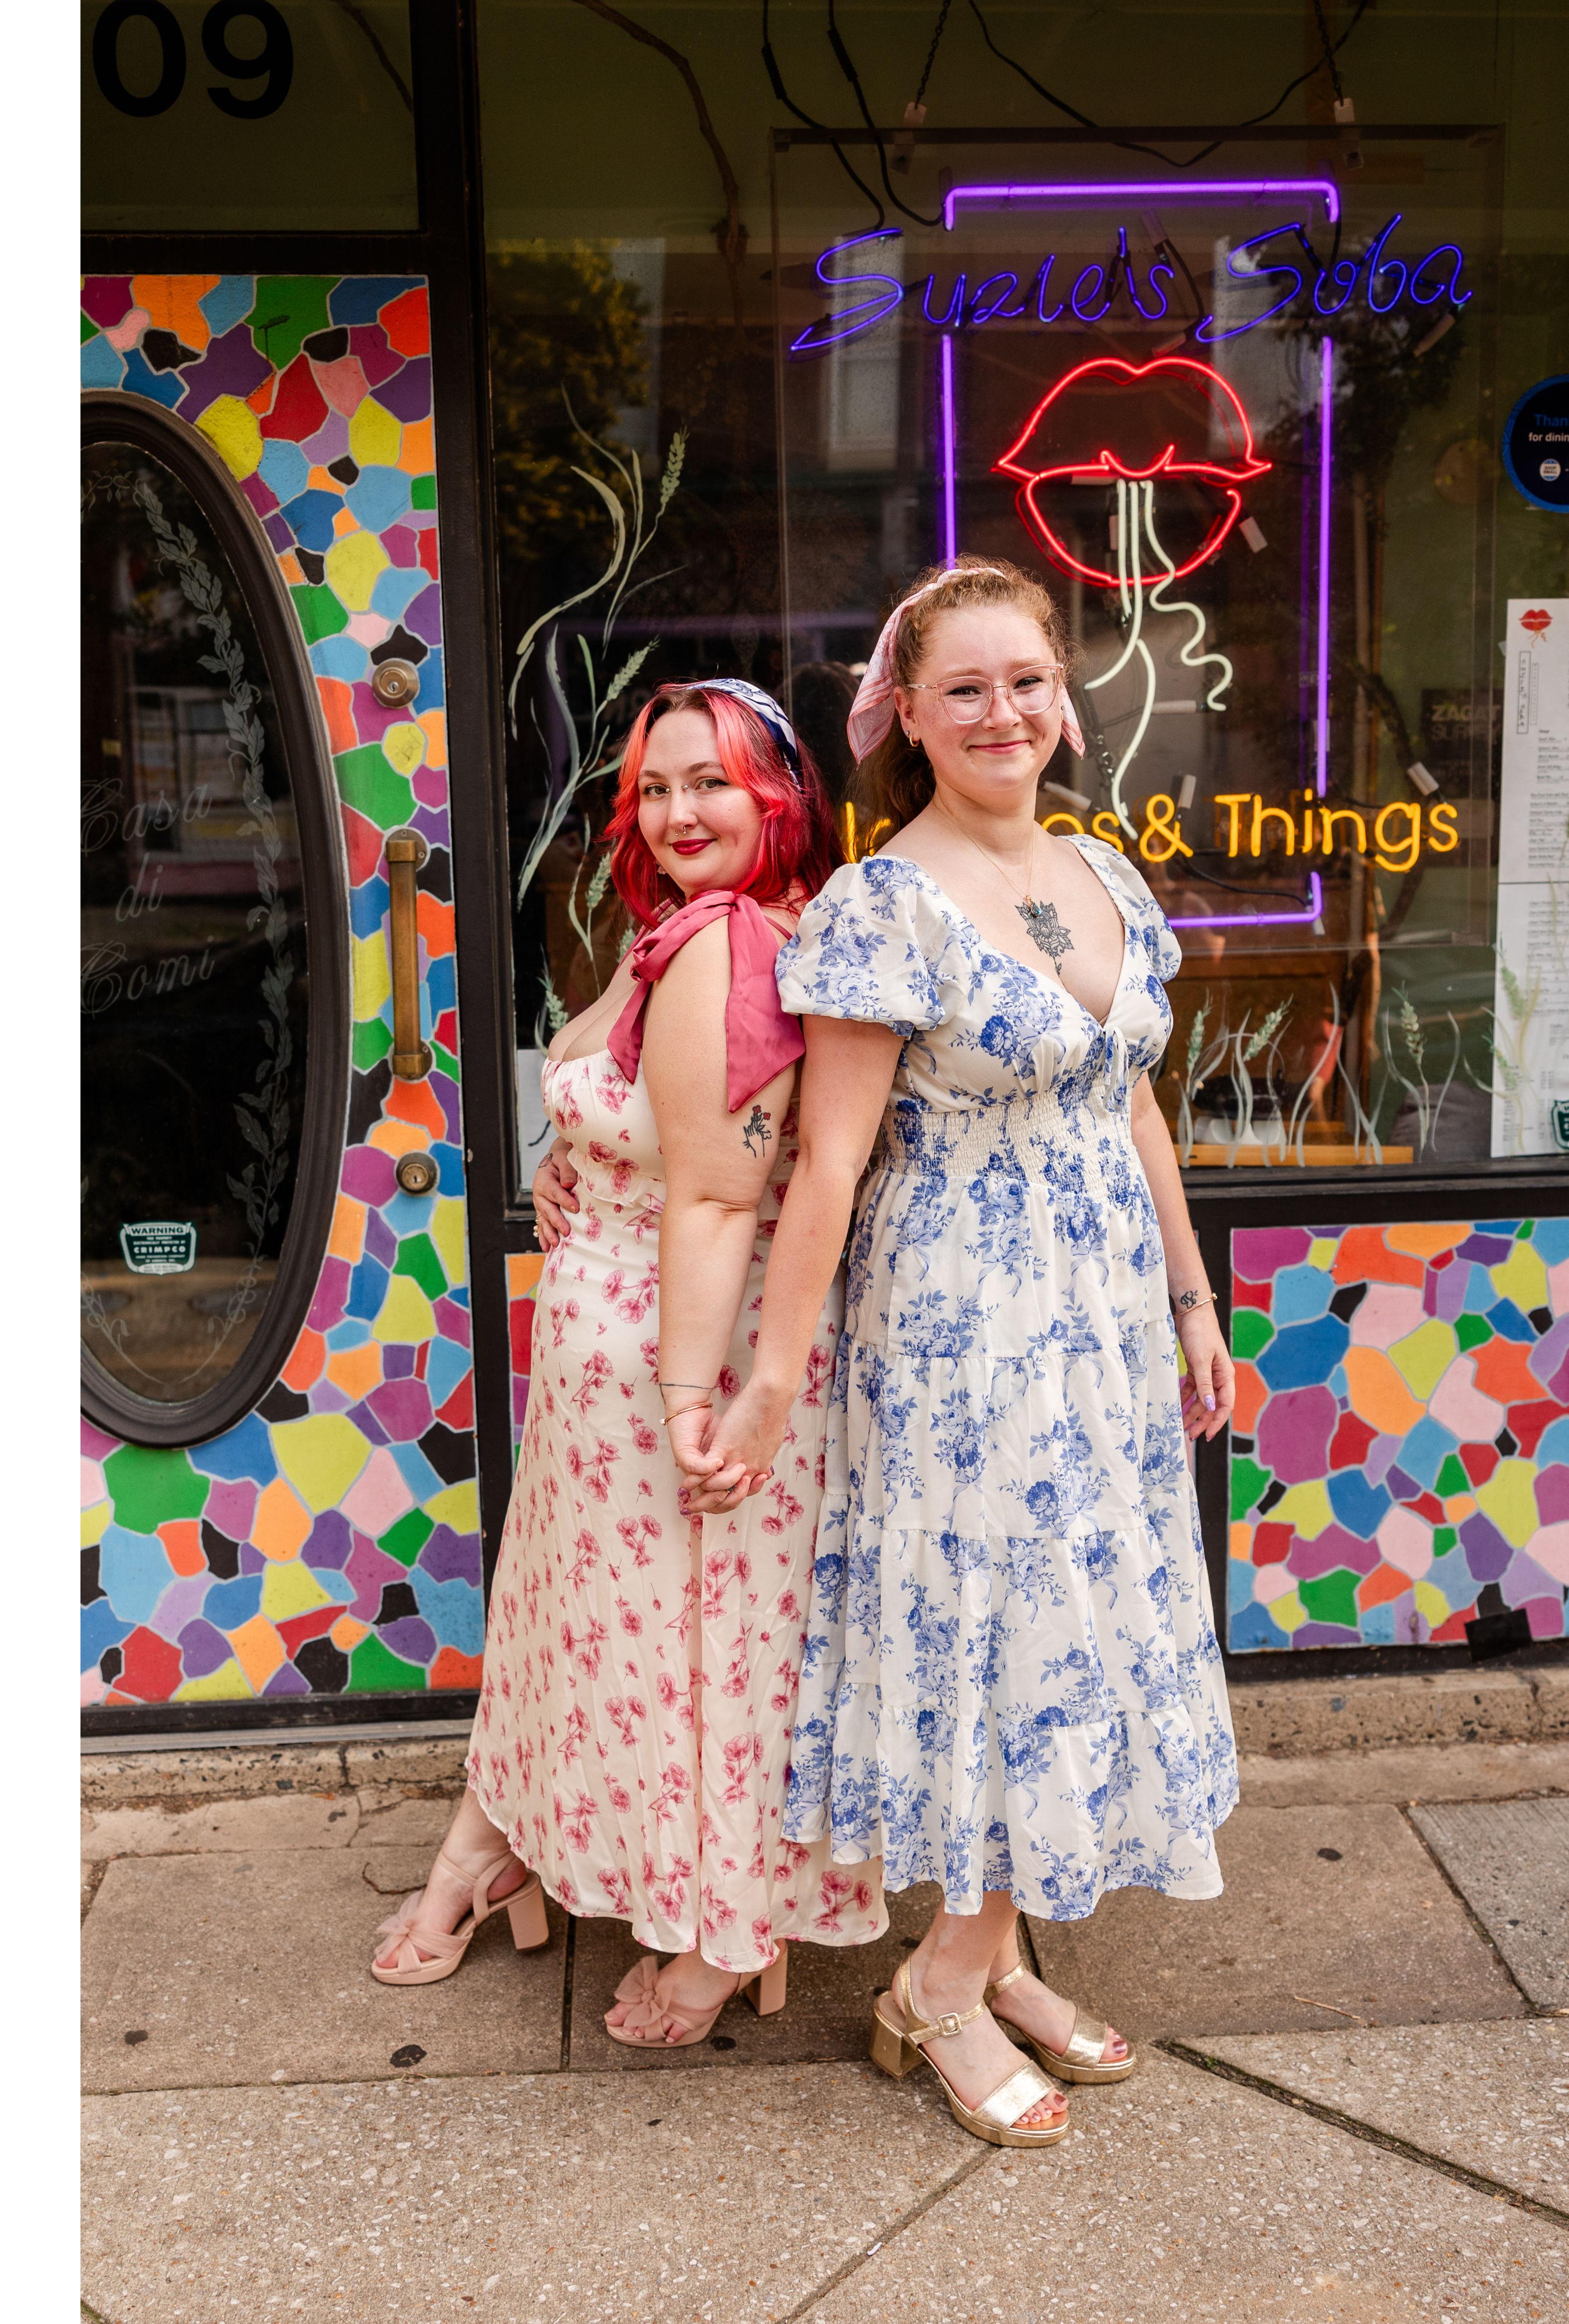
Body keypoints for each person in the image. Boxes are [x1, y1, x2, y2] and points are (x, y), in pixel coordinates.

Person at [678, 556, 1240, 2149]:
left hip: (1103, 1319)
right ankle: (939, 1986)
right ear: (908, 716)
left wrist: (1193, 1301)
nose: (1005, 712)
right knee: (1003, 1636)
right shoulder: (884, 903)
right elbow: (832, 1164)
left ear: (1068, 698)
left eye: (1029, 681)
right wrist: (771, 1376)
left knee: (1080, 1623)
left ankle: (991, 1961)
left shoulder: (1107, 876)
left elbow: (1134, 1103)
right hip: (961, 1325)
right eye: (967, 689)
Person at [369, 676, 886, 2043]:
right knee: (584, 1635)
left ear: (779, 792)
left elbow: (719, 1192)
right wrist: (569, 1162)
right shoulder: (680, 930)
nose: (676, 811)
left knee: (706, 1653)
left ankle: (716, 1933)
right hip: (603, 1357)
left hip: (678, 1354)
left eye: (711, 780)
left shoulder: (735, 939)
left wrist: (688, 1395)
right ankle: (497, 1847)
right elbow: (634, 1108)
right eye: (655, 787)